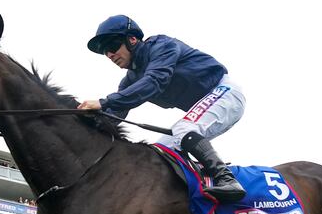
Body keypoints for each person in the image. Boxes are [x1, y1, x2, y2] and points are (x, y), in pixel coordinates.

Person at [79, 15, 247, 202]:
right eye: (104, 52)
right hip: (207, 104)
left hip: (225, 91)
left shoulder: (162, 46)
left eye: (111, 46)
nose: (109, 55)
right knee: (160, 151)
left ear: (132, 39)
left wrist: (103, 102)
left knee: (183, 128)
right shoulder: (130, 79)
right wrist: (81, 123)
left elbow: (155, 81)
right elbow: (112, 116)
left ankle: (227, 179)